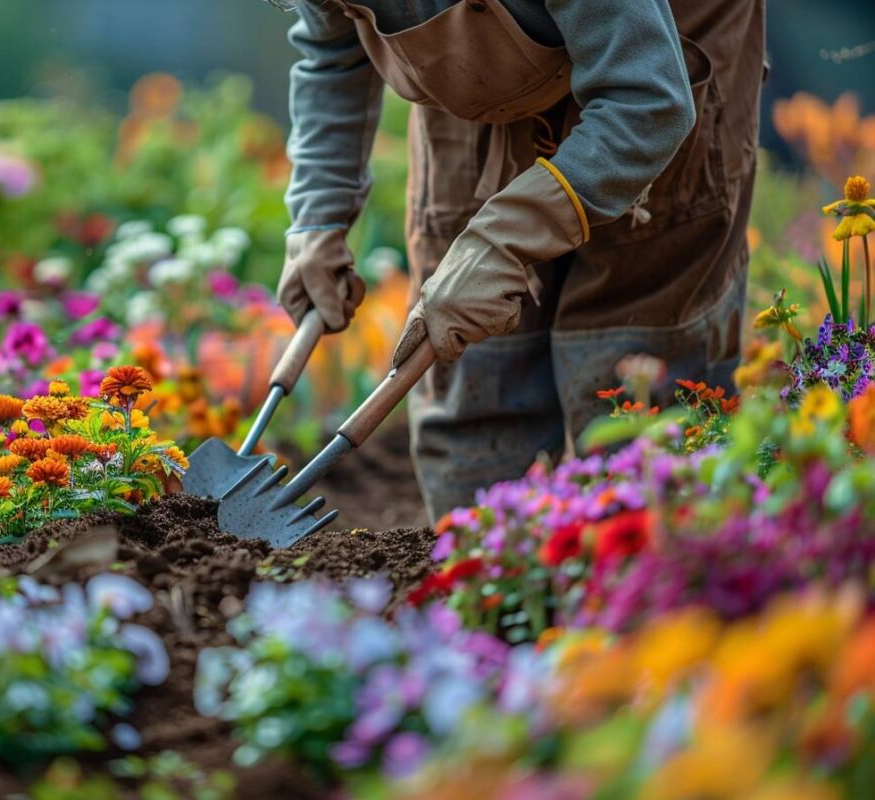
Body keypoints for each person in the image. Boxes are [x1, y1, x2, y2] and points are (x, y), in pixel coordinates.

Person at [272, 0, 766, 522]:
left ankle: (644, 583)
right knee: (466, 368)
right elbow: (332, 49)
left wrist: (501, 242)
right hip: (482, 72)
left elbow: (650, 103)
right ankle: (490, 577)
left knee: (632, 376)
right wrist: (317, 215)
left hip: (652, 58)